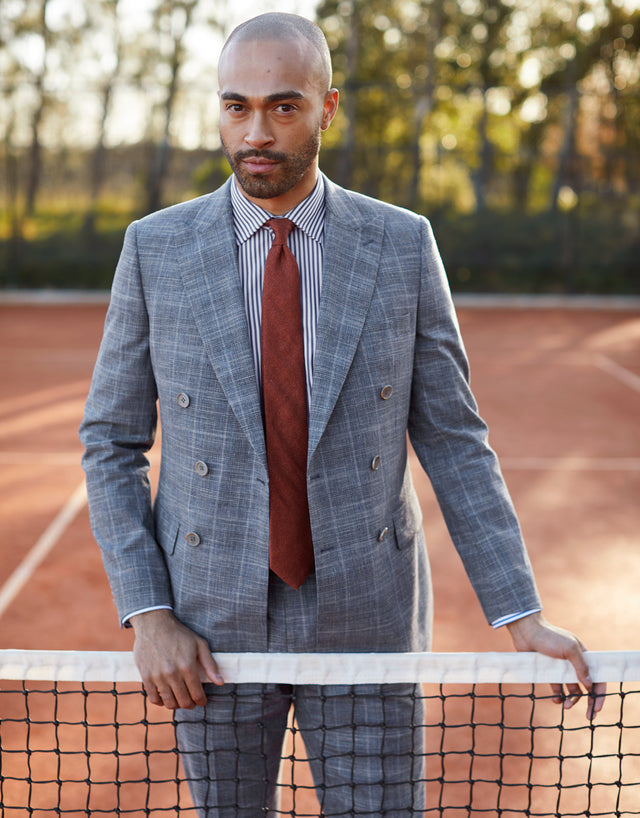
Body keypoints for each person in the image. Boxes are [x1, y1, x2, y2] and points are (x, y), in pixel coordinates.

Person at [80, 12, 605, 817]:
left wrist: (521, 616)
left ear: (327, 108)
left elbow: (456, 440)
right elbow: (111, 442)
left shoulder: (399, 245)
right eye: (237, 106)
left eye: (283, 106)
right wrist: (149, 613)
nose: (256, 131)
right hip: (207, 619)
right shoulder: (156, 249)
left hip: (367, 611)